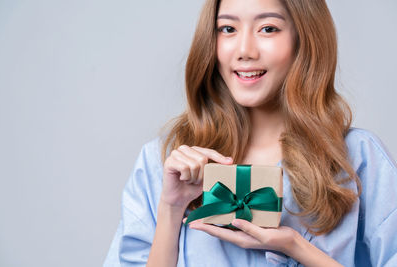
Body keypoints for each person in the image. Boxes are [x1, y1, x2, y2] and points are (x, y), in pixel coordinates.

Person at [104, 0, 397, 266]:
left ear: (305, 39)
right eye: (228, 28)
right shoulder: (165, 163)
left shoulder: (358, 158)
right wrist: (171, 208)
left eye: (268, 28)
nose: (245, 51)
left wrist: (296, 247)